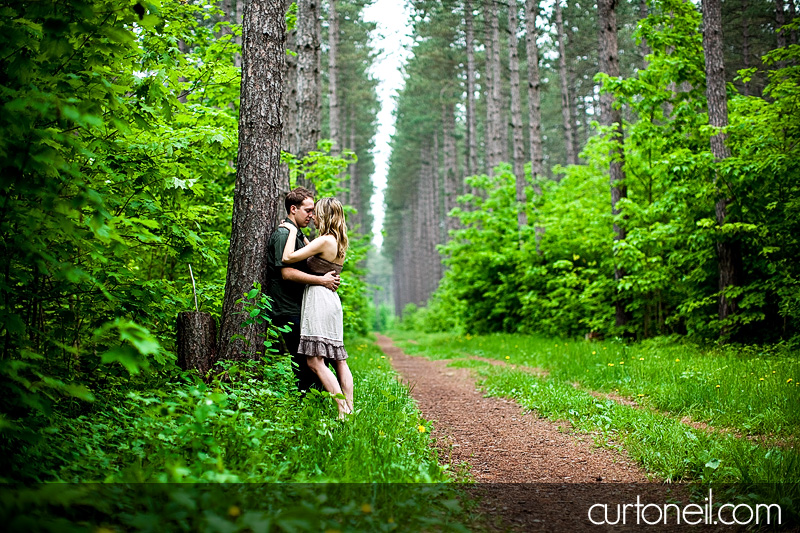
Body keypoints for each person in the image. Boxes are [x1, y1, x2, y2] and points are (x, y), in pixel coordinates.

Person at [279, 197, 354, 418]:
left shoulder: (324, 240)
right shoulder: (339, 241)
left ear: (326, 215)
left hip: (319, 299)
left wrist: (291, 229)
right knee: (339, 359)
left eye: (318, 212)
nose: (314, 217)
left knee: (314, 360)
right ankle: (349, 407)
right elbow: (317, 256)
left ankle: (341, 408)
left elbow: (287, 257)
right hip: (331, 299)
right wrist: (303, 237)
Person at [266, 187, 340, 393]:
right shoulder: (284, 234)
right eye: (308, 210)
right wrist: (321, 280)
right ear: (293, 209)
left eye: (313, 211)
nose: (312, 215)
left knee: (315, 362)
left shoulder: (297, 234)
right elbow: (287, 273)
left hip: (301, 307)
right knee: (304, 365)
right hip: (288, 309)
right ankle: (307, 409)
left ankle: (318, 405)